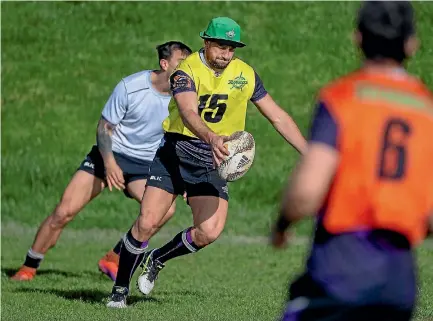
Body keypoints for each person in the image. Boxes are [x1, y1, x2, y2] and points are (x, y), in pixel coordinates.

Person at [107, 16, 307, 308]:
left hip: (213, 161)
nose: (226, 54)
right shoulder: (185, 71)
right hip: (176, 153)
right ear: (206, 43)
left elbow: (277, 115)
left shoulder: (245, 74)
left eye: (232, 48)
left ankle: (158, 258)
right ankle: (119, 289)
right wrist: (211, 137)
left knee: (209, 231)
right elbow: (188, 111)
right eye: (221, 47)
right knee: (148, 222)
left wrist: (309, 151)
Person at [271, 2, 433, 320]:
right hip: (399, 281)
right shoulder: (425, 109)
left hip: (342, 264)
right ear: (411, 43)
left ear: (358, 38)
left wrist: (282, 225)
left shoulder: (342, 98)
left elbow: (307, 190)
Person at [11, 41, 192, 282]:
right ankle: (28, 267)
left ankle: (114, 257)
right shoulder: (131, 86)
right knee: (64, 211)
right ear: (164, 63)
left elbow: (184, 139)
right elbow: (104, 127)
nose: (187, 68)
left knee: (166, 210)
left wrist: (185, 180)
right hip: (109, 154)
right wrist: (109, 163)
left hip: (145, 164)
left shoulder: (185, 98)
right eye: (182, 62)